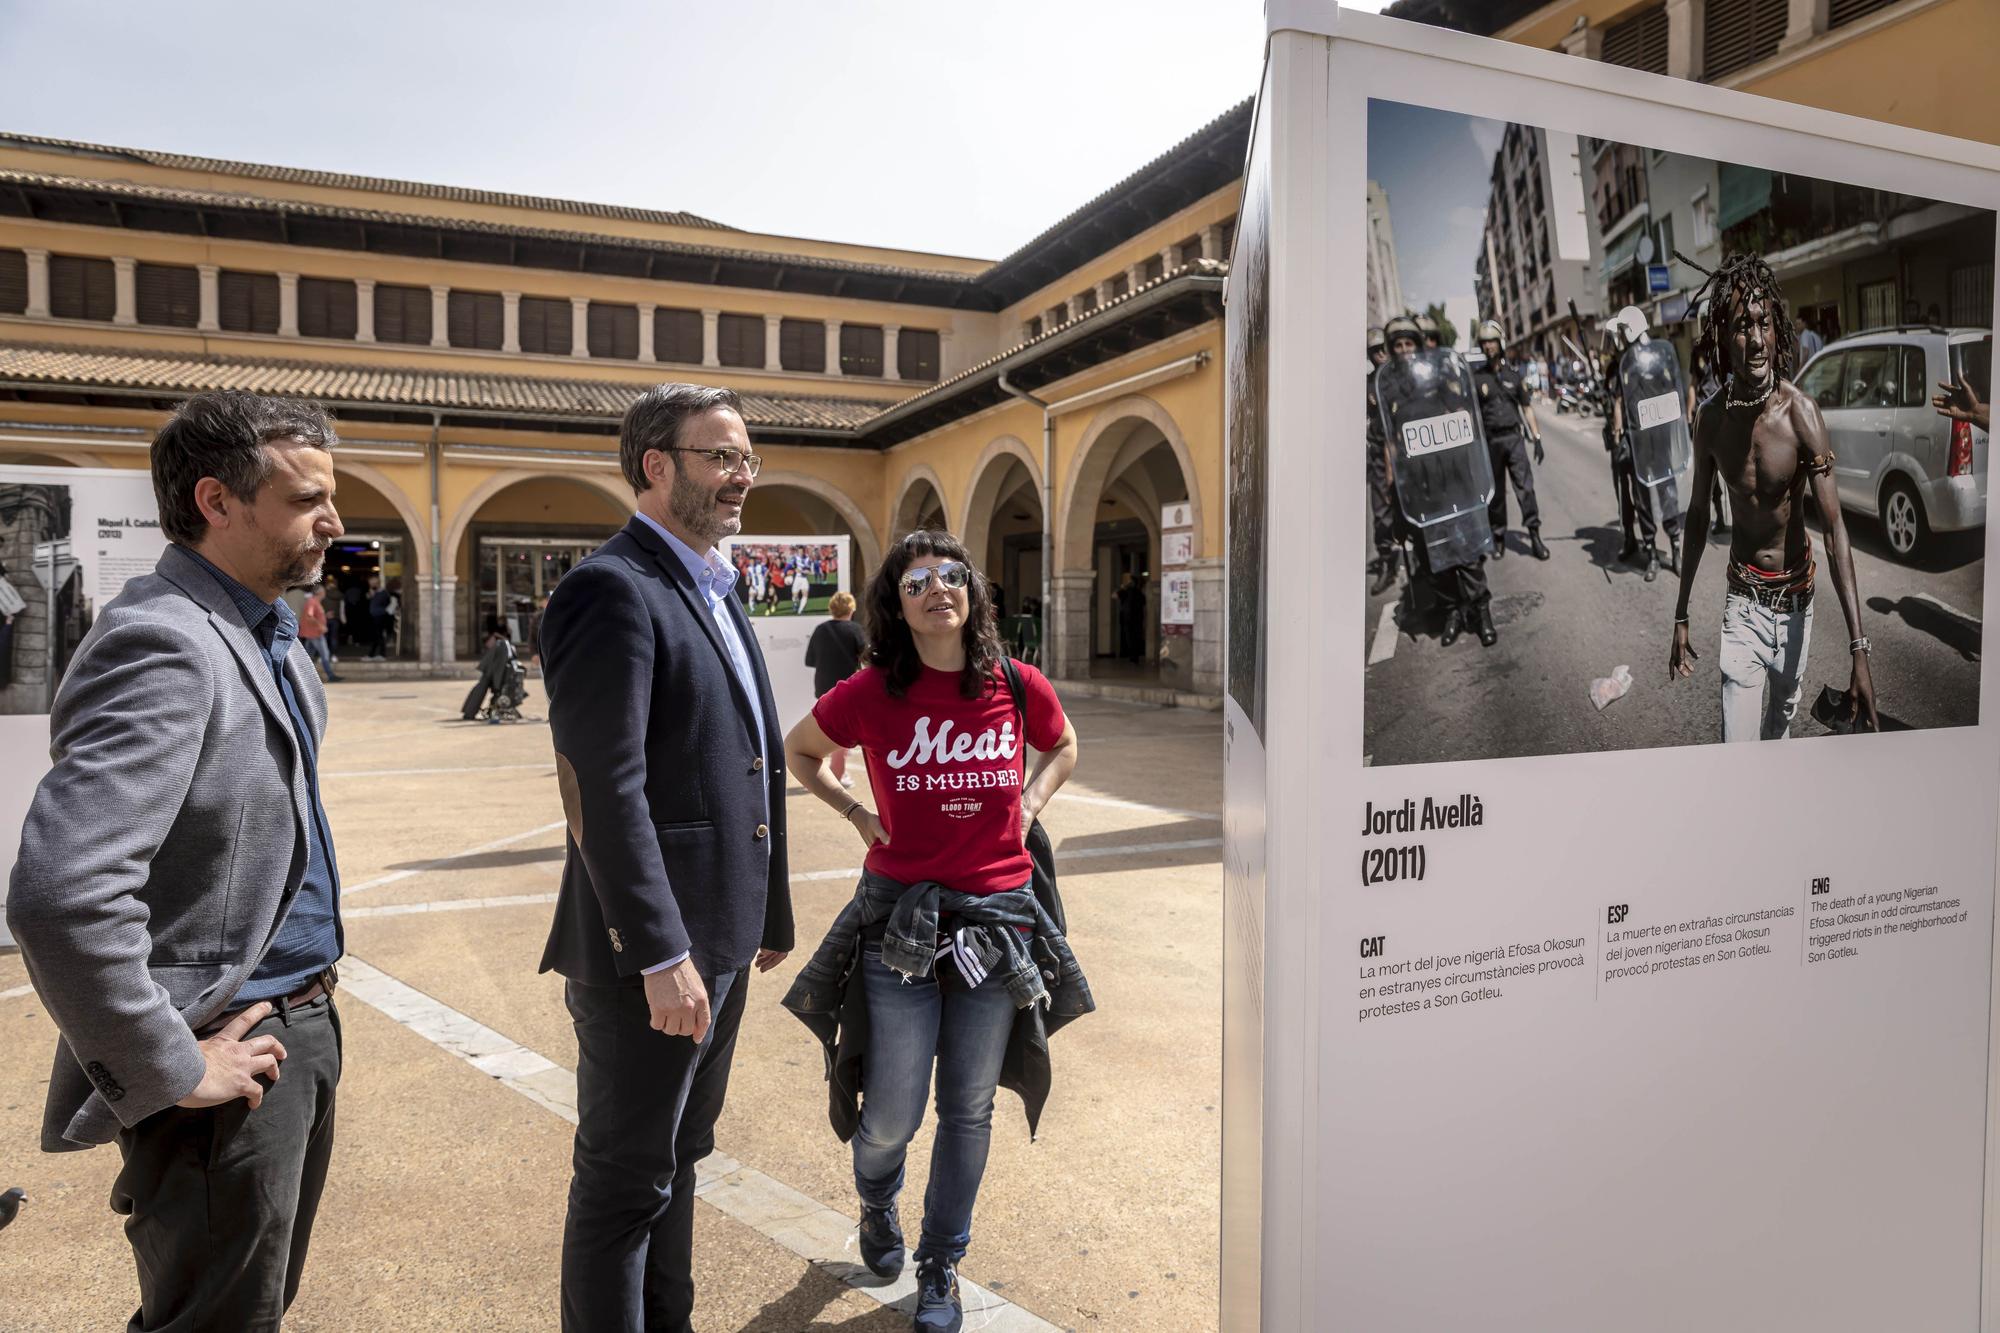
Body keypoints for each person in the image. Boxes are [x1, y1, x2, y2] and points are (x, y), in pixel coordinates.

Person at [7, 390, 347, 1329]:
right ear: (216, 501)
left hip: (292, 1017)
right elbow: (60, 893)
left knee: (242, 1305)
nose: (334, 520)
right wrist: (164, 1064)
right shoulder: (166, 640)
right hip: (221, 1050)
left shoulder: (264, 632)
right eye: (306, 499)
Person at [781, 530, 1085, 1333]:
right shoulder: (872, 690)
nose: (938, 589)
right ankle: (877, 1198)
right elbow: (800, 751)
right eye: (918, 581)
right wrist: (856, 813)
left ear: (972, 593)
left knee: (970, 1106)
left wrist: (1030, 802)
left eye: (952, 576)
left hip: (997, 923)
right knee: (891, 1110)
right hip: (900, 924)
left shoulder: (1016, 684)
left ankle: (941, 1260)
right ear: (897, 601)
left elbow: (1063, 744)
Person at [537, 383, 793, 1333]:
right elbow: (606, 789)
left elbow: (747, 759)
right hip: (653, 958)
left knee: (681, 1154)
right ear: (656, 465)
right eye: (721, 457)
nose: (741, 477)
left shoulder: (710, 581)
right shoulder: (612, 587)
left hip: (715, 940)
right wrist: (658, 950)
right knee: (624, 1177)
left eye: (746, 460)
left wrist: (765, 911)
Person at [1670, 254, 1878, 740]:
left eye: (1765, 324)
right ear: (1722, 335)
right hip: (1743, 602)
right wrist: (1681, 613)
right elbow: (1698, 516)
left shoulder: (1802, 415)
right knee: (1738, 749)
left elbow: (1834, 533)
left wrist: (1859, 649)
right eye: (1744, 326)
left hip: (1797, 604)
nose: (1759, 340)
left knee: (1779, 725)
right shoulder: (1712, 422)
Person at [1379, 316, 1496, 646]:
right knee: (1434, 554)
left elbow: (1465, 421)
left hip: (1454, 477)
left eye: (1409, 344)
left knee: (1468, 548)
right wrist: (1393, 489)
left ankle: (1481, 610)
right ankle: (1453, 612)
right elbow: (1390, 443)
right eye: (1397, 345)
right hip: (1421, 486)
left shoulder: (1442, 378)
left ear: (1418, 346)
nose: (1404, 351)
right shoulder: (1388, 390)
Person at [1607, 310, 1686, 582]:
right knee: (1642, 499)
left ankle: (1676, 546)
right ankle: (1651, 552)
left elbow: (1674, 390)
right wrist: (1618, 438)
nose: (1619, 337)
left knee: (1668, 491)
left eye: (1621, 331)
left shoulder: (1659, 356)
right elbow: (1618, 401)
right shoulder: (1624, 363)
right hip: (1636, 439)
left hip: (1659, 438)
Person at [1473, 320, 1550, 561]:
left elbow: (1527, 408)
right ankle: (1498, 537)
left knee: (1525, 488)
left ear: (1500, 343)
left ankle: (1535, 535)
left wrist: (1536, 437)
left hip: (1513, 439)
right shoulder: (1477, 378)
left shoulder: (1514, 376)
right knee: (1495, 494)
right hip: (1490, 443)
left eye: (1492, 342)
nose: (1488, 347)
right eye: (1484, 343)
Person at [805, 589, 867, 787]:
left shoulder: (821, 629)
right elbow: (867, 658)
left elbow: (810, 660)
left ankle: (837, 772)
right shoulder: (855, 630)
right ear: (851, 609)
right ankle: (837, 775)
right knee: (842, 732)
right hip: (847, 687)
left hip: (823, 685)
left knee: (832, 727)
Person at [1364, 326, 1400, 595]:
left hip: (1405, 452)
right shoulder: (1368, 383)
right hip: (1378, 454)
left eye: (1384, 348)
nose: (1381, 354)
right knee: (1381, 515)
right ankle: (1388, 564)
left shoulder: (1403, 377)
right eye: (1375, 350)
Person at [461, 624, 523, 720]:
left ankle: (469, 712)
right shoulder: (503, 646)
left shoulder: (502, 645)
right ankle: (470, 712)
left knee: (480, 689)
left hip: (491, 674)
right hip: (492, 674)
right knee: (480, 689)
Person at [299, 581, 342, 682]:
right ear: (320, 593)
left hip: (312, 633)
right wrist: (321, 626)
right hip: (315, 633)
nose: (325, 593)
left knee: (308, 656)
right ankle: (330, 676)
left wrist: (326, 616)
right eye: (324, 592)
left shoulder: (314, 602)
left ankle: (303, 677)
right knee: (325, 654)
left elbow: (314, 616)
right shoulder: (312, 602)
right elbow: (309, 616)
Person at [367, 575, 399, 659]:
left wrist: (374, 595)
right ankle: (373, 654)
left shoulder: (383, 593)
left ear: (376, 583)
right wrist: (372, 595)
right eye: (370, 583)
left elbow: (383, 604)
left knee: (378, 635)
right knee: (376, 636)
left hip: (380, 616)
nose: (370, 585)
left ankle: (381, 654)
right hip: (375, 615)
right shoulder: (376, 593)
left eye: (372, 583)